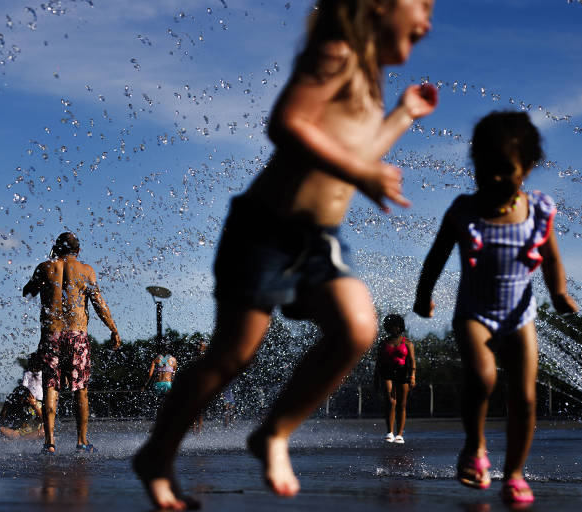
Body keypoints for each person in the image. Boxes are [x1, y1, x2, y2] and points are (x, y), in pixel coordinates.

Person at [133, 1, 438, 508]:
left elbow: (357, 156)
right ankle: (157, 456)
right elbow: (288, 122)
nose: (429, 20)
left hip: (320, 240)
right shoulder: (334, 52)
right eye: (423, 4)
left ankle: (273, 432)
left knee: (358, 328)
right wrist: (363, 175)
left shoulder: (369, 79)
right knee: (232, 355)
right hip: (264, 230)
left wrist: (403, 115)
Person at [413, 111, 579, 505]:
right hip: (474, 314)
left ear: (529, 167)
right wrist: (423, 297)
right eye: (486, 167)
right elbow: (435, 258)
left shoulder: (537, 210)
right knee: (483, 378)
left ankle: (516, 473)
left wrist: (558, 294)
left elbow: (552, 260)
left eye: (506, 169)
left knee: (524, 397)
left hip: (520, 314)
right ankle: (475, 447)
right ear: (474, 164)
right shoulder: (463, 211)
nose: (496, 177)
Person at [22, 232, 121, 454]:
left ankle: (49, 443)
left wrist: (43, 276)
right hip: (77, 335)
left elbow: (27, 292)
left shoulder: (45, 267)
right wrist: (113, 329)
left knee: (50, 388)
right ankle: (82, 442)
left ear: (56, 248)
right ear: (78, 250)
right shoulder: (86, 271)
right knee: (81, 390)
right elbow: (99, 303)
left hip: (52, 334)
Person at [374, 314, 415, 444]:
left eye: (396, 326)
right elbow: (378, 362)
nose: (394, 329)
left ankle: (400, 434)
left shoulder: (407, 343)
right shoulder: (383, 343)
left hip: (403, 372)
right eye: (391, 326)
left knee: (402, 405)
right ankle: (390, 431)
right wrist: (375, 378)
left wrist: (413, 376)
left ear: (400, 327)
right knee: (391, 402)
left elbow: (412, 361)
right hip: (387, 372)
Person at [0, 358, 45, 440]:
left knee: (43, 431)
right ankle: (21, 439)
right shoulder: (15, 404)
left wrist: (34, 405)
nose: (22, 401)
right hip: (18, 432)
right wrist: (6, 406)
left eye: (24, 399)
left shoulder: (35, 404)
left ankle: (21, 440)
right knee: (2, 429)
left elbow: (43, 418)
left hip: (33, 431)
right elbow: (2, 421)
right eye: (19, 399)